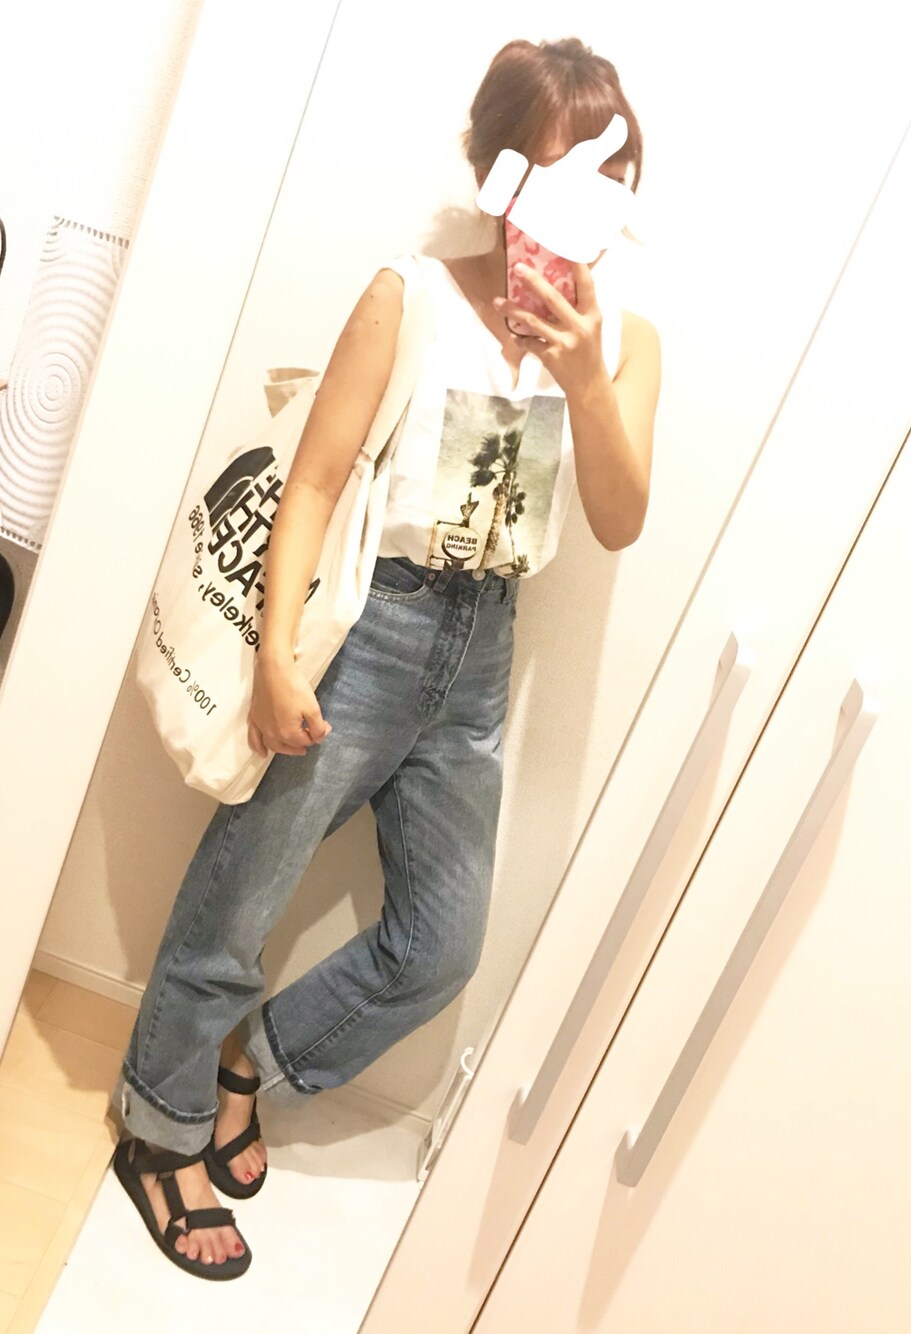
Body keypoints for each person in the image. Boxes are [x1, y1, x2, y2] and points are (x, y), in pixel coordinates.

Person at [112, 35, 661, 1279]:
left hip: (481, 650)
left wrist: (584, 379)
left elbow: (620, 518)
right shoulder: (408, 296)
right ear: (498, 175)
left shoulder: (627, 342)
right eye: (552, 179)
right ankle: (158, 1127)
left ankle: (249, 1064)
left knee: (441, 942)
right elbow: (312, 480)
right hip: (370, 625)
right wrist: (274, 654)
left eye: (605, 188)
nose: (573, 219)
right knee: (236, 901)